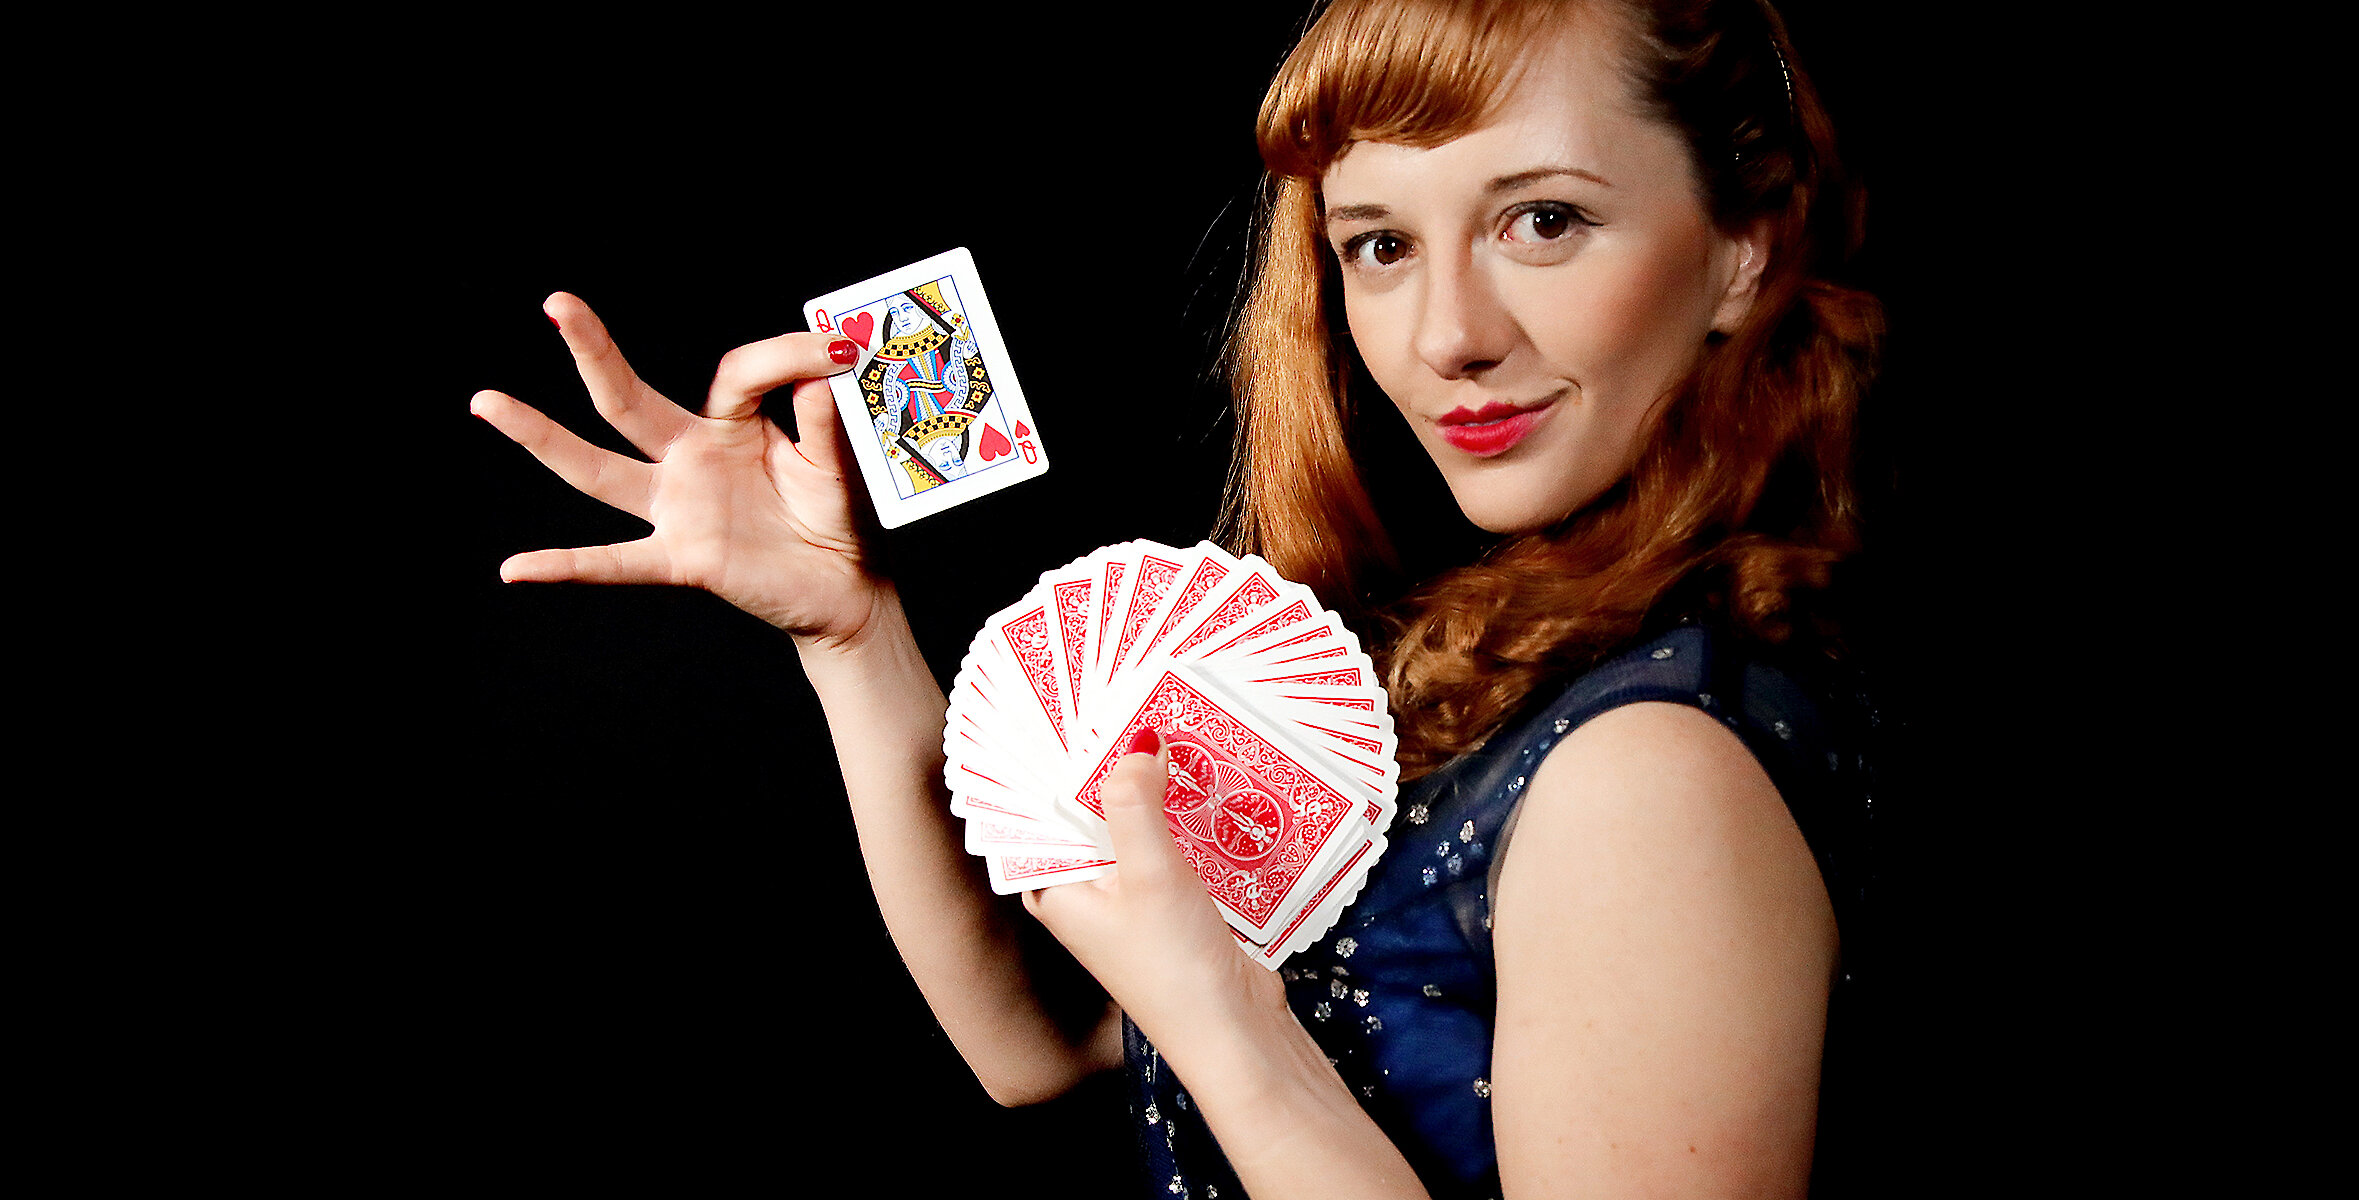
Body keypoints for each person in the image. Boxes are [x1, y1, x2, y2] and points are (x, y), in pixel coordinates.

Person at [473, 0, 1884, 1195]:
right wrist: (848, 629)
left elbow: (1181, 1028)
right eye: (1380, 245)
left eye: (1545, 220)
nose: (1449, 334)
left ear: (1747, 245)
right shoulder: (1510, 661)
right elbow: (1041, 1045)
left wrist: (1227, 1019)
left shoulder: (1651, 772)